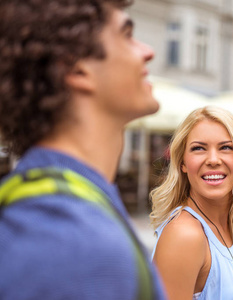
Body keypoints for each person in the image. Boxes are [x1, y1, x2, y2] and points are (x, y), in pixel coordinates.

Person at [0, 0, 166, 299]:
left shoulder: (59, 202)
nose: (147, 51)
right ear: (76, 67)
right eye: (127, 35)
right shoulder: (74, 244)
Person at [150, 106, 233, 300]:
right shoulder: (184, 235)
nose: (213, 160)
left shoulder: (228, 225)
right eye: (198, 148)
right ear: (182, 163)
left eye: (226, 147)